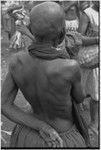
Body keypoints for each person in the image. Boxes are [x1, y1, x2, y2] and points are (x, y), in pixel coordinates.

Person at [2, 2, 98, 148]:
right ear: (62, 33)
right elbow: (79, 98)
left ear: (30, 29)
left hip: (27, 135)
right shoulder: (70, 67)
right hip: (62, 139)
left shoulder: (17, 61)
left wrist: (41, 126)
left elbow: (4, 105)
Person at [78, 1, 99, 138]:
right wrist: (97, 39)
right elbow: (78, 38)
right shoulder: (88, 14)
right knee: (94, 94)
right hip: (91, 59)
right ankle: (93, 123)